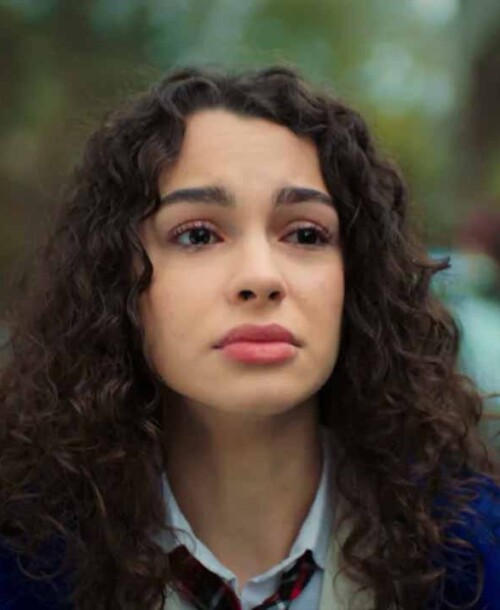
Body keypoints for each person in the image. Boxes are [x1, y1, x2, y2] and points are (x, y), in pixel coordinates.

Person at [0, 64, 499, 610]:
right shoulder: (21, 558)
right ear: (117, 279)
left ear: (357, 277)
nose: (260, 277)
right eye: (198, 235)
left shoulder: (475, 553)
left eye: (305, 234)